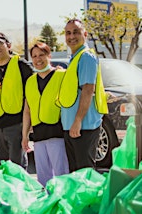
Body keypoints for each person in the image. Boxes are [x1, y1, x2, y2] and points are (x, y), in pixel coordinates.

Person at [57, 19, 108, 171]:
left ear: (85, 34)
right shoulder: (75, 58)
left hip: (83, 126)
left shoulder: (86, 57)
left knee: (84, 173)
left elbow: (88, 90)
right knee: (75, 173)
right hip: (72, 126)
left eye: (76, 32)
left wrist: (78, 120)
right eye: (68, 33)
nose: (71, 36)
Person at [22, 42, 69, 186]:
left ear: (49, 55)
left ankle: (63, 204)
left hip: (57, 134)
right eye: (34, 56)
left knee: (62, 176)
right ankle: (47, 205)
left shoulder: (61, 75)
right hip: (39, 136)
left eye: (41, 55)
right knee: (43, 179)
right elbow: (27, 110)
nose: (38, 59)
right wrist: (24, 136)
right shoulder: (30, 81)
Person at [0, 32, 33, 166]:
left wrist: (30, 124)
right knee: (4, 165)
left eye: (0, 43)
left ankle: (21, 187)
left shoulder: (20, 64)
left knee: (18, 166)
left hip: (17, 123)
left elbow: (34, 91)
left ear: (9, 45)